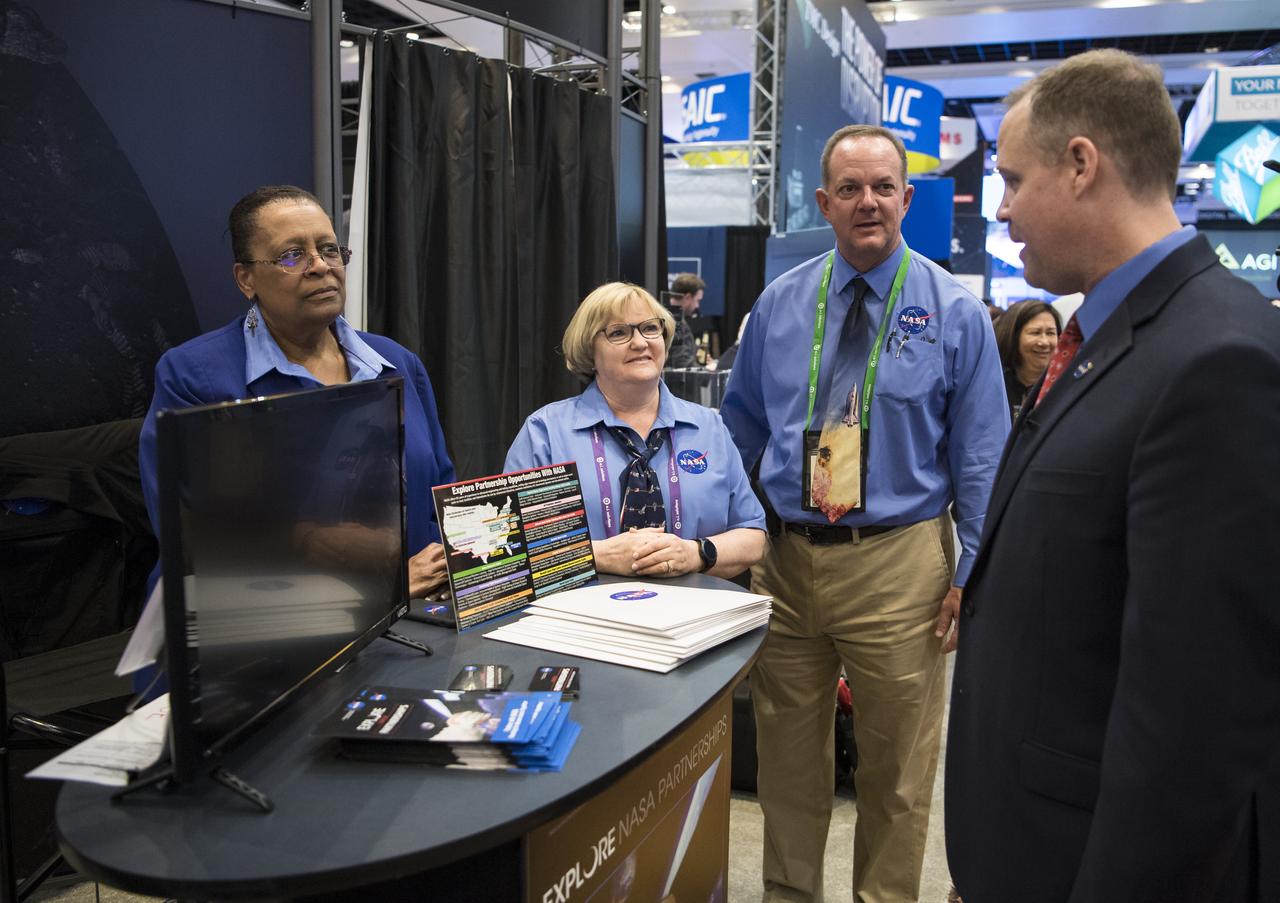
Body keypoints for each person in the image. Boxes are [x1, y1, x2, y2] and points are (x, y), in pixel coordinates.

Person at [945, 49, 1280, 902]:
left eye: (1014, 181)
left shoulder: (1216, 357)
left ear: (1082, 164)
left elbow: (1192, 720)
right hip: (1027, 838)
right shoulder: (1111, 336)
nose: (1004, 208)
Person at [719, 124, 1008, 901]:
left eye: (883, 186)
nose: (868, 202)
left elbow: (983, 460)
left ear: (907, 198)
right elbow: (738, 432)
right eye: (849, 188)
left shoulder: (956, 314)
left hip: (900, 565)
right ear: (824, 201)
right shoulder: (778, 306)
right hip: (785, 563)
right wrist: (729, 547)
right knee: (785, 766)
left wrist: (971, 576)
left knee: (898, 773)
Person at [139, 185, 455, 598]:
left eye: (329, 249)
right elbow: (205, 543)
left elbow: (439, 499)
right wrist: (383, 583)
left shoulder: (396, 362)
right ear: (245, 278)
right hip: (258, 632)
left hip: (411, 619)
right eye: (291, 255)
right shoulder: (195, 377)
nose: (320, 266)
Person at [504, 282, 767, 579]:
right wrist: (598, 555)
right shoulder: (546, 433)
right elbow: (510, 548)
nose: (640, 342)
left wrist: (695, 553)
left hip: (692, 617)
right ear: (589, 351)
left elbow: (753, 535)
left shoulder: (708, 427)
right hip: (582, 618)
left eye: (650, 329)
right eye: (619, 333)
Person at [993, 299, 1061, 421]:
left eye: (1050, 333)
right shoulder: (995, 387)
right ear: (1013, 337)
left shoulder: (1064, 387)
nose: (1044, 342)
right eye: (1035, 333)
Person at [666, 272, 705, 369]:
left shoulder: (667, 315)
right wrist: (706, 371)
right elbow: (681, 362)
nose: (697, 306)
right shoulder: (676, 321)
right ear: (687, 297)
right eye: (697, 300)